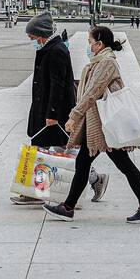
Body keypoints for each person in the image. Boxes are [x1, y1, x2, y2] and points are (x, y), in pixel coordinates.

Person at [43, 26, 140, 223]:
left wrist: (74, 115)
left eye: (90, 42)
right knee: (84, 164)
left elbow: (94, 90)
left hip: (105, 126)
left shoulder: (106, 62)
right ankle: (68, 207)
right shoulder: (99, 62)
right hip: (98, 125)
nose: (89, 46)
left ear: (99, 43)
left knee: (124, 165)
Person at [19, 11, 106, 207]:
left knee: (51, 150)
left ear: (41, 34)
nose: (30, 40)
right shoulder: (47, 48)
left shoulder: (56, 50)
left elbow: (58, 85)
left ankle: (38, 191)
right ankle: (94, 179)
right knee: (55, 150)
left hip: (53, 113)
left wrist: (52, 114)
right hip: (45, 109)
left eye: (31, 36)